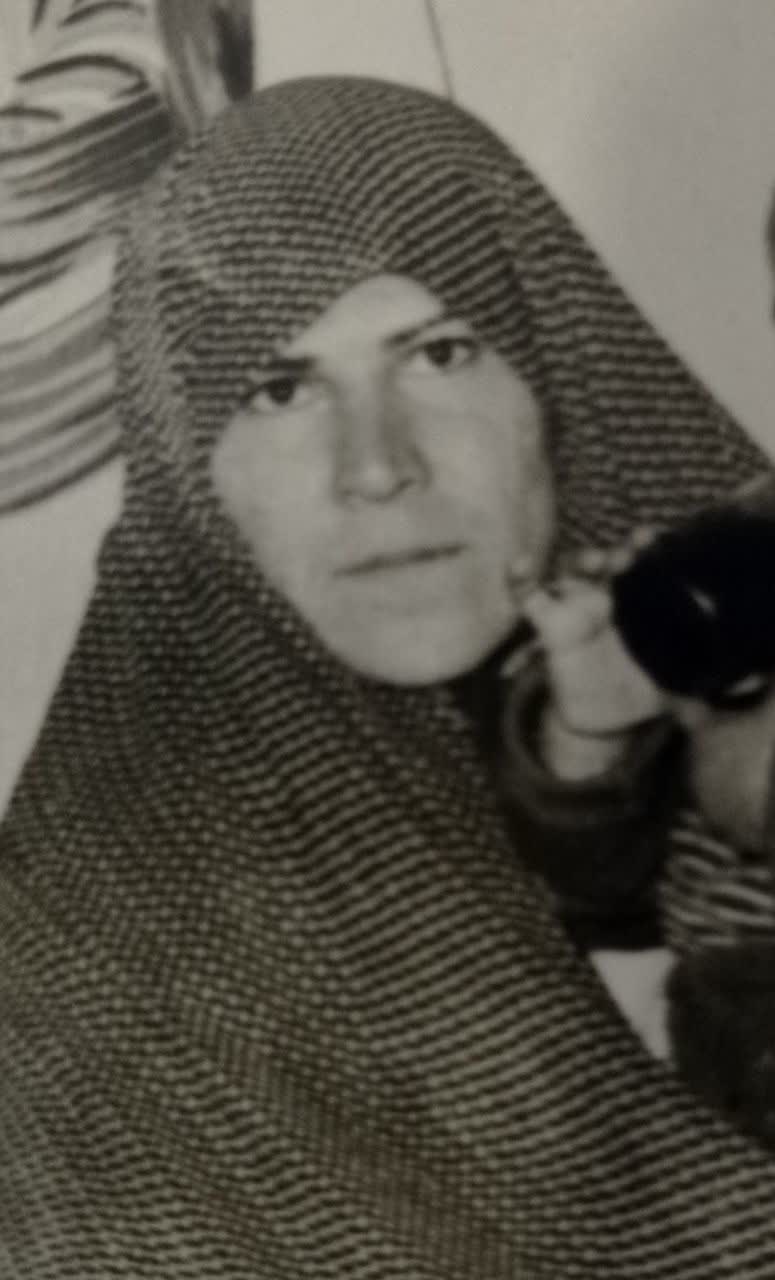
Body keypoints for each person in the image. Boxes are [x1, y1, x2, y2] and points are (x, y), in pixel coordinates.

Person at [2, 75, 775, 1278]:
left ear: (556, 378)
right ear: (189, 465)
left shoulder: (697, 621)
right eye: (279, 387)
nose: (376, 467)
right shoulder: (100, 972)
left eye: (441, 353)